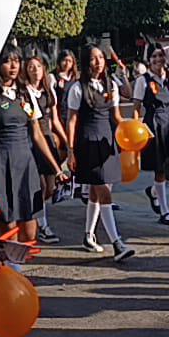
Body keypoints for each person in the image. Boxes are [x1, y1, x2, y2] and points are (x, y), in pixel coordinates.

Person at [0, 44, 66, 247]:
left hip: (25, 166)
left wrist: (57, 169)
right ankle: (10, 266)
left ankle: (18, 265)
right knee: (9, 234)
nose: (13, 66)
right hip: (0, 166)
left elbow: (37, 135)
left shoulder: (25, 94)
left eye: (16, 61)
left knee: (30, 233)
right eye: (7, 61)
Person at [67, 45, 135, 261]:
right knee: (104, 190)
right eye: (93, 58)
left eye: (101, 57)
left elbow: (116, 116)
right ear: (86, 62)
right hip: (88, 142)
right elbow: (72, 120)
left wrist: (132, 129)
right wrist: (70, 150)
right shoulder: (78, 88)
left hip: (107, 141)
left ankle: (88, 235)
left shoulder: (110, 84)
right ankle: (117, 243)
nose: (98, 62)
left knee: (97, 192)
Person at [134, 45, 169, 226]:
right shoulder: (143, 81)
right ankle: (164, 211)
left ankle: (154, 192)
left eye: (160, 56)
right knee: (160, 168)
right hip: (154, 125)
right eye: (154, 57)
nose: (158, 60)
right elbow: (136, 107)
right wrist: (136, 129)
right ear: (148, 60)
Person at [25, 52, 69, 244]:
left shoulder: (48, 91)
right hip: (32, 139)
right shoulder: (25, 92)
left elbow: (55, 119)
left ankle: (36, 215)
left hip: (48, 137)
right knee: (40, 185)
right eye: (31, 67)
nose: (35, 70)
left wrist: (66, 141)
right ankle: (42, 225)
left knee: (50, 188)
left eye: (38, 66)